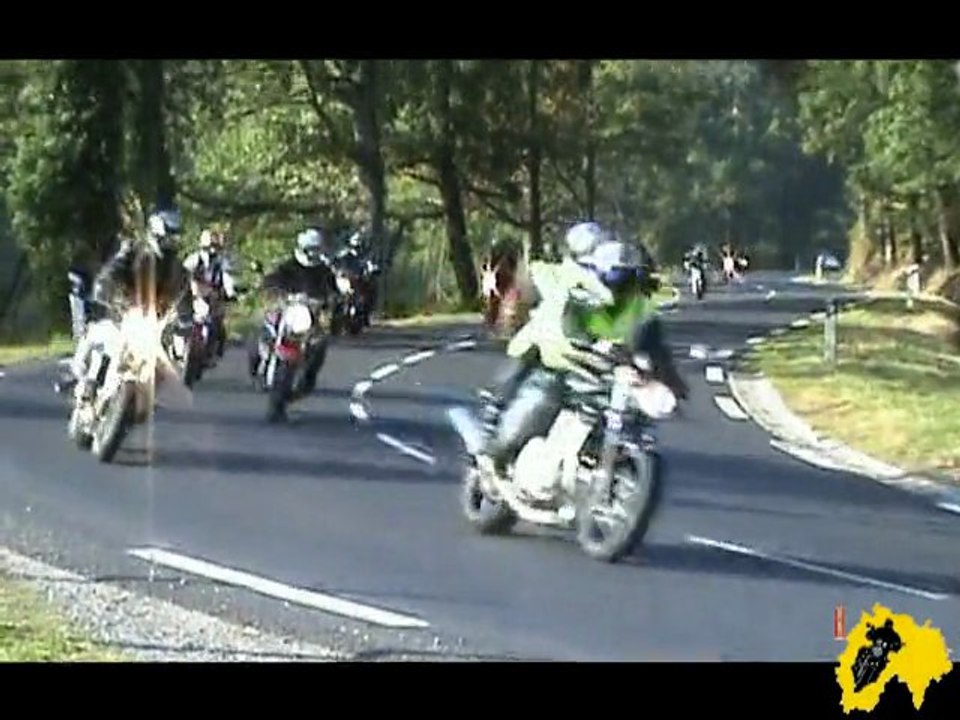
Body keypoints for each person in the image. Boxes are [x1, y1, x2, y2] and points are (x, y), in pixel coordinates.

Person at [477, 222, 688, 474]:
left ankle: (602, 458)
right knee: (537, 392)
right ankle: (494, 426)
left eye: (628, 279)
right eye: (616, 279)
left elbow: (656, 347)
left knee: (636, 408)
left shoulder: (639, 309)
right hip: (561, 361)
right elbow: (553, 315)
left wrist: (670, 380)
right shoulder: (569, 283)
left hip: (604, 374)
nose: (620, 288)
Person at [62, 208, 189, 400]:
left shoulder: (178, 269)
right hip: (123, 309)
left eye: (176, 236)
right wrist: (108, 291)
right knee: (100, 332)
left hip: (152, 321)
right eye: (170, 235)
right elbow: (111, 272)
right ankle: (79, 373)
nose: (172, 241)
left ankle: (145, 395)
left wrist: (184, 317)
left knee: (162, 362)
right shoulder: (133, 251)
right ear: (157, 232)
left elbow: (182, 295)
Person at [247, 227, 339, 397]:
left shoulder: (323, 271)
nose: (314, 254)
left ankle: (309, 376)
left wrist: (331, 300)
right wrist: (271, 289)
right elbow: (271, 281)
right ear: (302, 248)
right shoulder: (288, 266)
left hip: (309, 314)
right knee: (261, 326)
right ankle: (256, 365)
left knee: (320, 342)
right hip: (286, 309)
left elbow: (333, 291)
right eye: (311, 250)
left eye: (317, 250)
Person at [182, 229, 238, 360]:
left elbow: (228, 278)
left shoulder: (222, 262)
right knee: (180, 319)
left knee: (218, 323)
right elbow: (183, 273)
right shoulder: (194, 259)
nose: (212, 250)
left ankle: (213, 353)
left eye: (215, 247)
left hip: (213, 298)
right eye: (209, 247)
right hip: (194, 296)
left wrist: (230, 293)